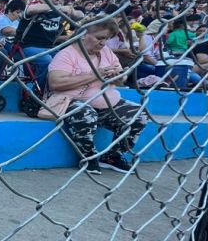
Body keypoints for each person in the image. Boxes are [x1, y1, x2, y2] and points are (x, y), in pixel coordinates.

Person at [48, 19, 146, 174]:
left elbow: (121, 80)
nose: (103, 43)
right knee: (87, 114)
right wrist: (96, 74)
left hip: (106, 101)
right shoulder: (67, 54)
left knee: (139, 115)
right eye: (99, 38)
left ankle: (112, 157)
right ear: (83, 34)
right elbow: (56, 83)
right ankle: (88, 156)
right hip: (73, 100)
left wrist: (119, 76)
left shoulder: (107, 52)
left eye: (107, 39)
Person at [16, 0, 83, 91]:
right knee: (47, 60)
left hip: (48, 47)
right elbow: (31, 10)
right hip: (26, 46)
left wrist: (71, 11)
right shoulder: (35, 3)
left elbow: (80, 15)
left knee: (69, 60)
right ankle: (40, 91)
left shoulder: (60, 7)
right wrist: (60, 9)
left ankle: (62, 90)